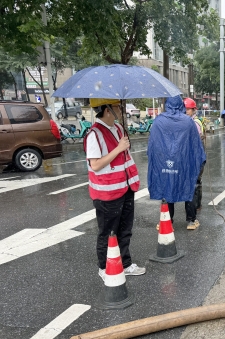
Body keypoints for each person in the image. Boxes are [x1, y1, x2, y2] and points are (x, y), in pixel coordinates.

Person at [83, 98, 146, 281]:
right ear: (107, 109)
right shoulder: (94, 134)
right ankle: (104, 267)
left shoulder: (118, 129)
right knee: (108, 232)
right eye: (118, 106)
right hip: (107, 193)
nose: (121, 109)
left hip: (125, 188)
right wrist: (119, 148)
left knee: (125, 230)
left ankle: (125, 264)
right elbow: (95, 165)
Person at [148, 95, 206, 230]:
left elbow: (153, 145)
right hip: (184, 163)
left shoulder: (158, 121)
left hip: (165, 162)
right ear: (181, 105)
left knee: (168, 188)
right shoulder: (188, 122)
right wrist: (200, 160)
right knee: (188, 187)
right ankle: (191, 221)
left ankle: (167, 221)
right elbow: (196, 145)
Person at [184, 97, 204, 212]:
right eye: (185, 109)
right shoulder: (191, 121)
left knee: (196, 181)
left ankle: (196, 205)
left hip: (196, 157)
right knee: (196, 181)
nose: (186, 111)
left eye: (188, 109)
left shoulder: (194, 123)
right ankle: (196, 204)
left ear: (193, 110)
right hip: (195, 156)